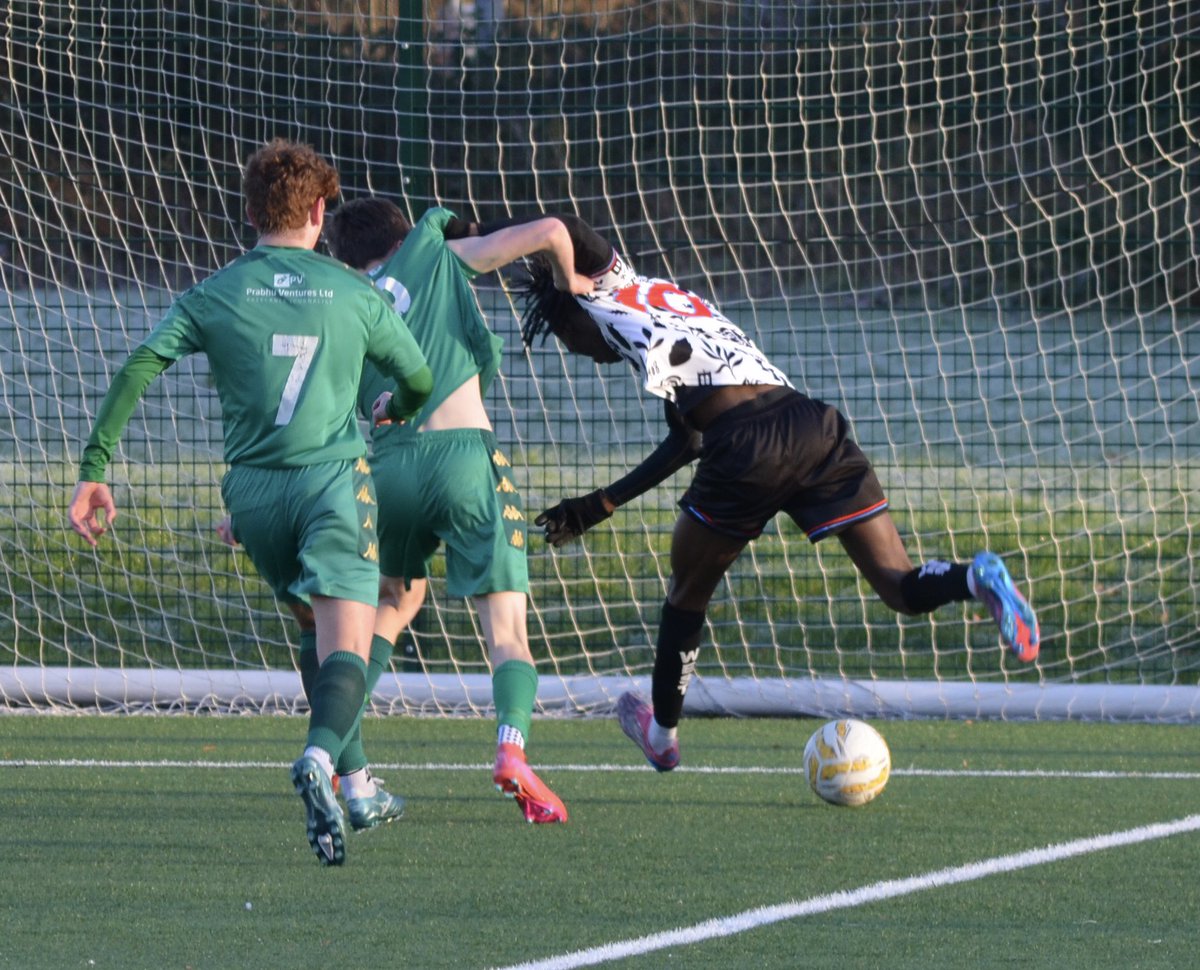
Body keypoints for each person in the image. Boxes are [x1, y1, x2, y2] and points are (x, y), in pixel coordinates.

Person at [515, 214, 1041, 772]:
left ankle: (663, 736)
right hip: (811, 423)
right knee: (900, 586)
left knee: (686, 595)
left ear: (570, 319)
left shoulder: (598, 300)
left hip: (746, 447)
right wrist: (601, 503)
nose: (573, 350)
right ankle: (974, 577)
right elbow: (687, 438)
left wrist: (466, 231)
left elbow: (564, 227)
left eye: (563, 337)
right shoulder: (657, 305)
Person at [67, 139, 433, 865]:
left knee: (312, 627)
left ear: (249, 212)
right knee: (351, 643)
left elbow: (143, 361)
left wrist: (94, 468)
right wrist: (393, 403)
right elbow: (418, 377)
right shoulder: (354, 292)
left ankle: (357, 783)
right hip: (330, 482)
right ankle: (322, 761)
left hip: (254, 498)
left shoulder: (215, 293)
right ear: (320, 212)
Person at [325, 198, 592, 823]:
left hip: (388, 469)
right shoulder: (436, 257)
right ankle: (511, 749)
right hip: (464, 459)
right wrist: (569, 279)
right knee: (506, 633)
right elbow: (552, 231)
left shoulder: (344, 303)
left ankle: (344, 753)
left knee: (394, 600)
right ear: (401, 237)